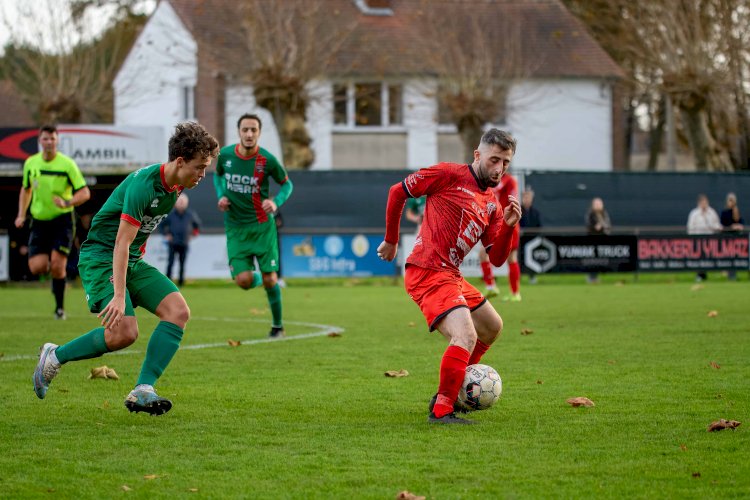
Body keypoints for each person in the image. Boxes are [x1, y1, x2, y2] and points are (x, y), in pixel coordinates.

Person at [32, 122, 219, 416]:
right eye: (199, 167)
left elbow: (134, 239)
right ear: (180, 162)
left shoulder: (178, 183)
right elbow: (121, 241)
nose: (203, 175)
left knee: (178, 312)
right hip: (101, 257)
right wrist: (120, 295)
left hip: (130, 259)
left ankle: (143, 389)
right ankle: (55, 356)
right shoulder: (144, 185)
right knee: (124, 333)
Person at [377, 128, 521, 425]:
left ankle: (453, 389)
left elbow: (496, 258)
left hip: (450, 274)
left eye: (506, 163)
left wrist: (508, 226)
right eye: (494, 160)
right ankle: (442, 409)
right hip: (427, 270)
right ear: (477, 155)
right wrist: (391, 240)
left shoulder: (493, 203)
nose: (500, 169)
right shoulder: (448, 174)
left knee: (492, 326)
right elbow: (397, 192)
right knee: (465, 335)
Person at [214, 113, 293, 338]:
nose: (249, 134)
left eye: (254, 130)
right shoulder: (225, 156)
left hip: (262, 228)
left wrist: (275, 202)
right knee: (244, 281)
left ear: (259, 132)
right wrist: (221, 195)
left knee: (269, 278)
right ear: (238, 131)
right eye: (245, 130)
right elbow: (217, 177)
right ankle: (265, 279)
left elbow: (287, 185)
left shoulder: (267, 160)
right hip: (236, 228)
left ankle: (277, 326)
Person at [15, 124, 91, 319]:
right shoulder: (31, 163)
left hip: (62, 220)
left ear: (57, 141)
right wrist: (21, 214)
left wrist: (67, 202)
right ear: (40, 141)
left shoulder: (67, 164)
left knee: (58, 265)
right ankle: (57, 283)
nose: (49, 142)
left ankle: (59, 309)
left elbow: (84, 192)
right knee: (37, 267)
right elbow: (26, 189)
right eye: (45, 139)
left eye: (52, 139)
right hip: (39, 221)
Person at [477, 174, 520, 301]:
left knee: (511, 258)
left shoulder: (509, 180)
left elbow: (514, 199)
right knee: (482, 253)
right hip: (494, 222)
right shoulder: (491, 179)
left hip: (507, 222)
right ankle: (491, 286)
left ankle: (515, 293)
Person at [162, 193, 201, 286]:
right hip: (173, 242)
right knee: (170, 262)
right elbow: (162, 225)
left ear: (186, 203)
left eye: (183, 202)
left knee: (182, 263)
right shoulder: (170, 214)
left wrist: (193, 235)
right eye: (179, 201)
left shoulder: (190, 214)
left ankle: (181, 282)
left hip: (184, 242)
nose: (181, 203)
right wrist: (166, 234)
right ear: (175, 203)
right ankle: (168, 282)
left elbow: (197, 226)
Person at [687, 193, 722, 282]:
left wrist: (717, 228)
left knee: (708, 258)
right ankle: (700, 275)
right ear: (699, 203)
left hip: (710, 240)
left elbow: (717, 224)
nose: (704, 204)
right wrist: (693, 239)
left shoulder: (712, 212)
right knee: (699, 259)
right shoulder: (694, 213)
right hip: (698, 240)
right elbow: (690, 227)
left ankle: (706, 274)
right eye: (702, 202)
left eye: (705, 202)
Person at [585, 197, 611, 283]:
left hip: (603, 239)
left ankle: (599, 275)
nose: (598, 206)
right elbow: (589, 226)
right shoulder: (590, 214)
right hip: (593, 239)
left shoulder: (604, 214)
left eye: (600, 204)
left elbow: (608, 225)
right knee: (593, 259)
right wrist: (595, 227)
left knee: (602, 259)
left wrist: (604, 227)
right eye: (596, 204)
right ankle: (592, 277)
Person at [519, 188, 542, 284]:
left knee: (532, 258)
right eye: (525, 197)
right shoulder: (518, 210)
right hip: (520, 241)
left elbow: (539, 226)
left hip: (532, 240)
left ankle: (532, 277)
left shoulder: (535, 212)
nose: (527, 199)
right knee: (518, 258)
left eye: (528, 197)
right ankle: (517, 278)